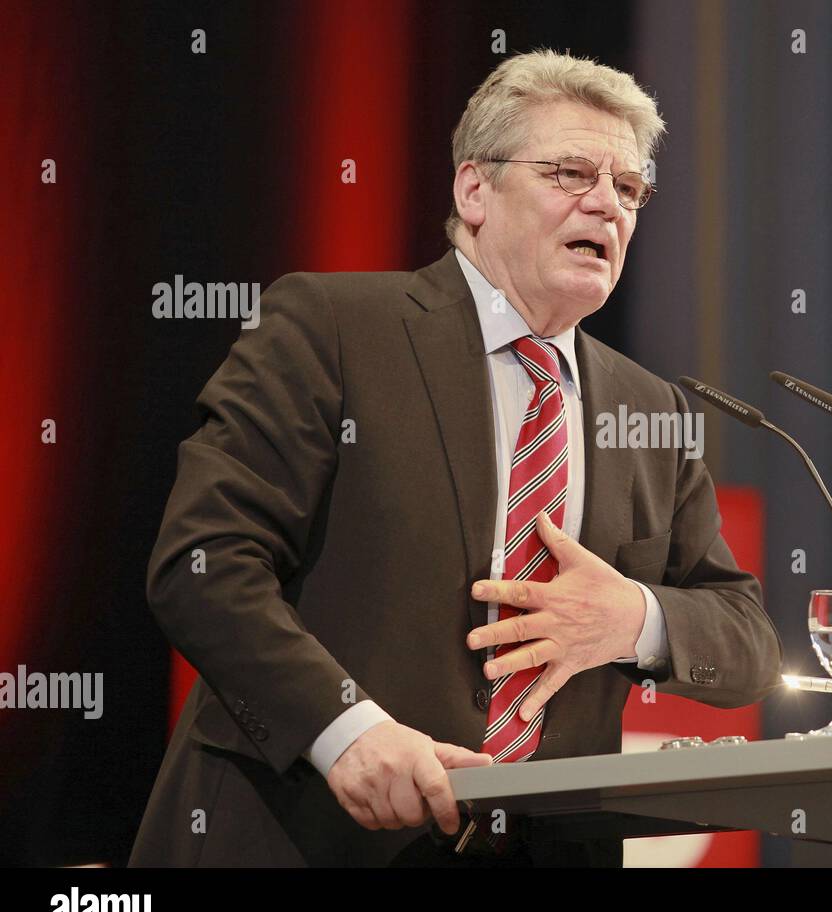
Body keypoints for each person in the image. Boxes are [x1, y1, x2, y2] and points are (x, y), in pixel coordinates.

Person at [129, 49, 783, 868]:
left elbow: (747, 639)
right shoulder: (332, 327)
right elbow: (204, 563)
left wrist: (632, 619)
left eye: (629, 188)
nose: (607, 205)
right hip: (303, 832)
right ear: (474, 189)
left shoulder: (651, 409)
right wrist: (347, 734)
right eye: (572, 172)